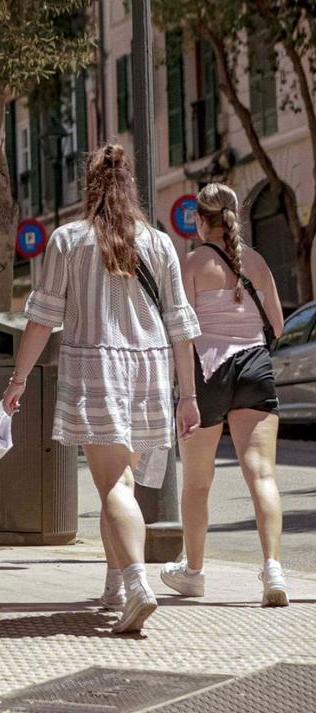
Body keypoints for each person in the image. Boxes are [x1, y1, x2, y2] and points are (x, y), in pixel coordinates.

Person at [2, 144, 202, 634]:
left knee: (111, 484)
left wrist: (19, 378)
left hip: (98, 367)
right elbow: (180, 325)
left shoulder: (69, 240)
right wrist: (189, 395)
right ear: (130, 184)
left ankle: (137, 584)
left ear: (87, 185)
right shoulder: (158, 242)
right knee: (122, 484)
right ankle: (115, 582)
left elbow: (41, 319)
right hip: (151, 370)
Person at [161, 183, 289, 606]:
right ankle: (273, 570)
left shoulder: (191, 263)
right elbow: (278, 325)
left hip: (206, 371)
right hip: (255, 365)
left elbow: (180, 331)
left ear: (199, 220)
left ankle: (194, 572)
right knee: (262, 473)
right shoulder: (256, 260)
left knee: (197, 481)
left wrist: (181, 390)